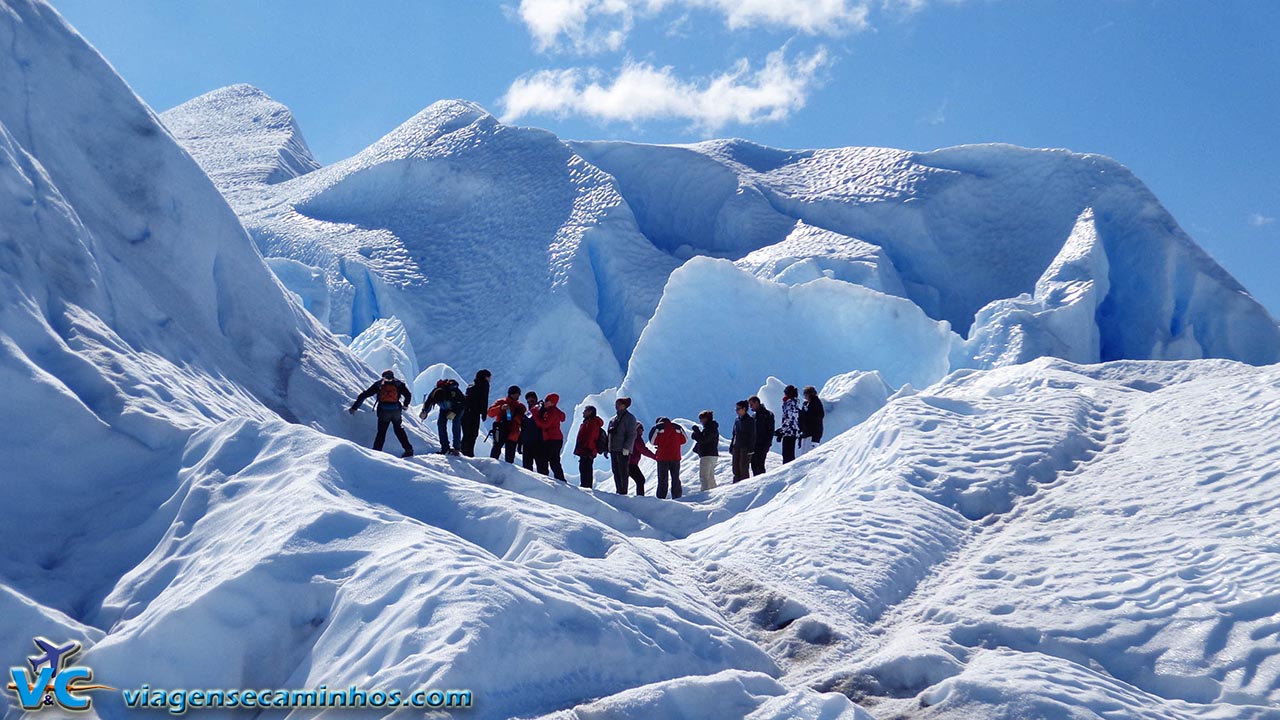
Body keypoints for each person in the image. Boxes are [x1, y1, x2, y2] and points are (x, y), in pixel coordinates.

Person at [348, 369, 414, 458]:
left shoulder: (379, 384)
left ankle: (376, 452)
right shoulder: (399, 384)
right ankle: (408, 449)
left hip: (383, 411)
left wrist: (354, 407)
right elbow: (408, 395)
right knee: (399, 430)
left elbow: (365, 394)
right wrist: (405, 405)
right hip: (396, 411)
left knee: (381, 432)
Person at [420, 378, 466, 455]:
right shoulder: (434, 394)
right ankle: (445, 448)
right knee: (440, 424)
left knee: (456, 424)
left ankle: (457, 448)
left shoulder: (453, 392)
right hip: (444, 409)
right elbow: (428, 403)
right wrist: (425, 412)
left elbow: (463, 403)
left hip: (457, 407)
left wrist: (454, 412)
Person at [649, 417, 687, 499]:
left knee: (663, 478)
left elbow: (652, 441)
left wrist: (660, 443)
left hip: (662, 457)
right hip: (675, 457)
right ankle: (677, 496)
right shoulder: (677, 427)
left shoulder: (658, 427)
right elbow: (684, 440)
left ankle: (661, 497)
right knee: (675, 477)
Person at [606, 397, 639, 494]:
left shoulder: (630, 418)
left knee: (623, 472)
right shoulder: (613, 419)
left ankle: (623, 491)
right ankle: (619, 490)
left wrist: (627, 448)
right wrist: (607, 447)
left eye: (619, 404)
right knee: (616, 471)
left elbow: (632, 434)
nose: (617, 406)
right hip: (614, 449)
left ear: (625, 406)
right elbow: (609, 434)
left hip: (622, 450)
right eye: (616, 404)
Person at [487, 386, 525, 463]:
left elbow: (523, 421)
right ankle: (491, 467)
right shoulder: (501, 402)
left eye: (518, 394)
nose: (517, 396)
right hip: (501, 431)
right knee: (496, 450)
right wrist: (500, 408)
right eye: (515, 394)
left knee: (510, 456)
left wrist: (514, 416)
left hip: (512, 433)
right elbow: (490, 413)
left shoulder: (520, 406)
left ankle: (498, 469)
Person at [534, 393, 567, 481]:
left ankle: (544, 478)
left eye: (547, 401)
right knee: (554, 461)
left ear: (552, 402)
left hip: (552, 439)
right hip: (555, 439)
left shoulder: (552, 412)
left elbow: (545, 425)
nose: (545, 402)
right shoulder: (551, 410)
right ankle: (560, 480)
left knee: (545, 459)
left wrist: (535, 415)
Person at [459, 369, 491, 457]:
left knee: (466, 433)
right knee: (473, 433)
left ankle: (463, 450)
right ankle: (469, 453)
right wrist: (484, 413)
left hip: (465, 412)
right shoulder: (484, 385)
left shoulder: (470, 386)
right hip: (474, 413)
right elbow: (484, 399)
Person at [573, 405, 606, 488]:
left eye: (585, 411)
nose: (583, 413)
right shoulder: (590, 421)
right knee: (585, 468)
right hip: (588, 450)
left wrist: (587, 448)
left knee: (585, 469)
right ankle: (586, 485)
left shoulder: (592, 422)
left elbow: (590, 436)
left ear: (590, 412)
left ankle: (586, 486)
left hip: (587, 450)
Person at [690, 410, 719, 492]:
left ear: (706, 418)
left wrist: (696, 432)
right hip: (711, 454)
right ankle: (714, 492)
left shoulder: (710, 428)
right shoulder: (711, 428)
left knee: (704, 476)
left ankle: (705, 492)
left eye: (702, 419)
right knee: (710, 476)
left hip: (707, 455)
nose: (701, 421)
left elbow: (704, 439)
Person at [628, 421, 658, 496]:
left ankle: (620, 498)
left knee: (623, 482)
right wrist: (655, 457)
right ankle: (640, 498)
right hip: (631, 463)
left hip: (626, 462)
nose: (643, 430)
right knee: (640, 480)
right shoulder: (637, 438)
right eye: (641, 428)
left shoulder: (630, 436)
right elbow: (643, 450)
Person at [749, 396, 775, 476]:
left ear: (757, 403)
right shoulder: (754, 416)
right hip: (754, 445)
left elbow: (770, 431)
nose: (750, 407)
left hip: (762, 444)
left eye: (751, 404)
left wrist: (767, 444)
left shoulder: (767, 415)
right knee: (754, 464)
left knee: (760, 465)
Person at [730, 400, 754, 482]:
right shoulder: (737, 420)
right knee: (735, 468)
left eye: (738, 409)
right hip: (736, 446)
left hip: (745, 448)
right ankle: (736, 484)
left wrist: (751, 449)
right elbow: (734, 434)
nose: (736, 411)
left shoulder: (750, 420)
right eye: (736, 409)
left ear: (744, 409)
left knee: (743, 468)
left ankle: (744, 486)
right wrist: (731, 445)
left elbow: (752, 435)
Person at [777, 385, 802, 464]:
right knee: (790, 453)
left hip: (789, 432)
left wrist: (782, 431)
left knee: (787, 455)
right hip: (793, 431)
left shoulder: (789, 404)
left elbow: (789, 418)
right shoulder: (795, 403)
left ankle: (787, 471)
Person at [521, 391, 544, 472]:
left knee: (541, 466)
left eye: (532, 401)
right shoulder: (527, 413)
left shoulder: (541, 409)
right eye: (528, 402)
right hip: (527, 442)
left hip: (539, 442)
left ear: (536, 399)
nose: (530, 403)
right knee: (527, 467)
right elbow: (523, 428)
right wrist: (520, 443)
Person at [799, 385, 825, 455]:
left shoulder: (815, 404)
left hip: (812, 434)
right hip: (807, 433)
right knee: (804, 454)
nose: (804, 396)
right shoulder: (807, 404)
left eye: (805, 394)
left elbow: (816, 417)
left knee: (809, 454)